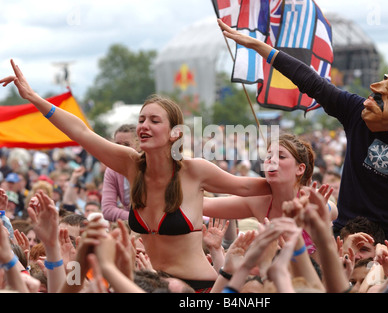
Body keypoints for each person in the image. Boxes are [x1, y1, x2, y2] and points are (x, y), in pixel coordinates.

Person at [0, 62, 271, 292]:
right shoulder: (131, 164)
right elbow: (81, 133)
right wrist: (33, 97)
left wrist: (287, 177)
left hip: (198, 286)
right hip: (148, 283)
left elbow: (248, 187)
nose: (144, 126)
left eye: (155, 121)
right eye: (142, 119)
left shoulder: (194, 170)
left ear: (175, 132)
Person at [217, 18, 388, 262]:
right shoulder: (356, 112)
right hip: (344, 233)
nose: (376, 89)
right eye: (383, 80)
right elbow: (311, 81)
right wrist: (260, 47)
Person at [204, 132, 338, 264]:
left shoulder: (309, 197)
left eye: (281, 156)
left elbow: (333, 211)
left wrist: (320, 210)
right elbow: (204, 205)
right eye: (268, 156)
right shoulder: (258, 201)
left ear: (300, 169)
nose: (271, 160)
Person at [101, 124, 139, 222]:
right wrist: (136, 219)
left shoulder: (151, 166)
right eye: (117, 144)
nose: (121, 149)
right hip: (131, 225)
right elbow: (107, 210)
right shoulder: (112, 170)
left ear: (138, 146)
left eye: (127, 145)